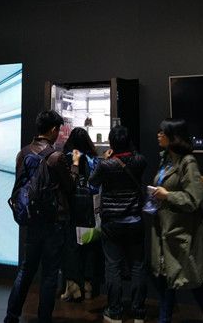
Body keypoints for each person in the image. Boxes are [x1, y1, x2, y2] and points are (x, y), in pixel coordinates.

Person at [4, 110, 80, 323]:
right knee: (49, 274)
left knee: (26, 270)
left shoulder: (23, 153)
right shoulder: (56, 157)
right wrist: (75, 164)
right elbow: (70, 186)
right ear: (53, 130)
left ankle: (11, 316)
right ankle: (44, 319)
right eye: (59, 130)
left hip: (31, 220)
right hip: (54, 222)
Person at [149, 118, 203, 323]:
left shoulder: (188, 162)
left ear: (174, 137)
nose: (158, 135)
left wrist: (167, 195)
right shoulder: (166, 159)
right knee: (168, 284)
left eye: (162, 132)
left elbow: (193, 199)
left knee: (196, 283)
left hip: (183, 234)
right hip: (166, 231)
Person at [89, 125, 147, 323]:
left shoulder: (106, 165)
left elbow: (93, 182)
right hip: (135, 220)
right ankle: (138, 311)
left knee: (113, 266)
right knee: (137, 265)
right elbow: (137, 157)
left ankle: (114, 311)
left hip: (112, 223)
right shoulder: (139, 161)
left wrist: (104, 159)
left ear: (111, 143)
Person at [60, 127, 103, 302]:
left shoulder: (68, 157)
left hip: (72, 207)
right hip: (90, 207)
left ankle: (73, 286)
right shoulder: (94, 159)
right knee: (89, 245)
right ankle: (88, 285)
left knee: (71, 245)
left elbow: (67, 183)